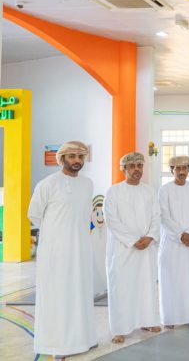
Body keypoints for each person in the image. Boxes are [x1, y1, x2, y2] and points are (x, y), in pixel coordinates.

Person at [27, 141, 97, 357]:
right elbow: (34, 215)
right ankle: (56, 344)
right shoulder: (47, 184)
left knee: (80, 292)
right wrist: (57, 234)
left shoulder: (87, 184)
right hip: (56, 252)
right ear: (62, 158)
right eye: (72, 156)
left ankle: (84, 339)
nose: (77, 160)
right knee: (57, 295)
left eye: (80, 156)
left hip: (81, 250)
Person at [105, 152, 161, 343]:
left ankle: (148, 321)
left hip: (146, 248)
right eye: (132, 166)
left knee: (146, 285)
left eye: (140, 165)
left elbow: (156, 216)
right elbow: (112, 220)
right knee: (121, 288)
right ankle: (119, 329)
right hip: (123, 249)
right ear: (124, 169)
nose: (137, 169)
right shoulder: (113, 192)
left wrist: (150, 237)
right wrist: (133, 240)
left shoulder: (150, 191)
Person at [158, 155, 189, 328]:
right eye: (178, 168)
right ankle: (170, 318)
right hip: (172, 243)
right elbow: (164, 216)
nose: (182, 171)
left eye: (185, 168)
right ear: (172, 170)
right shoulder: (164, 190)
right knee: (171, 279)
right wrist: (180, 235)